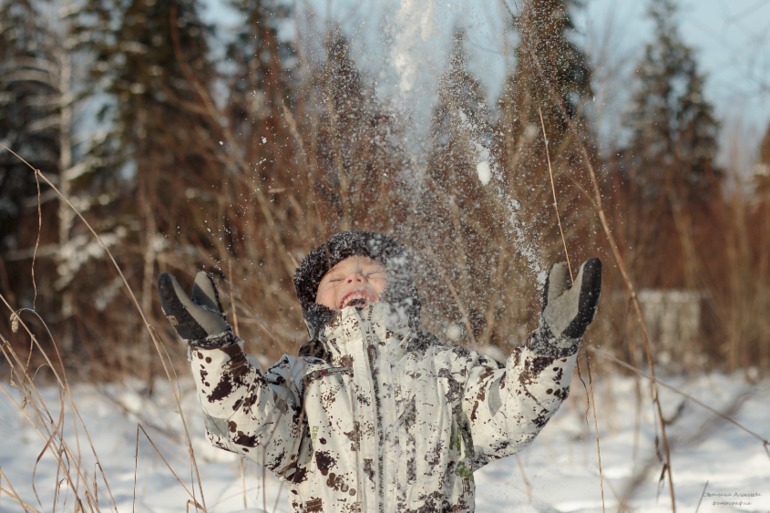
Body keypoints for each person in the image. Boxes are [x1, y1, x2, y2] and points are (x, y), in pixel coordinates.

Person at [157, 231, 602, 513]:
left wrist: (551, 346)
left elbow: (509, 417)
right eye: (337, 279)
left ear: (403, 292)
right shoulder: (300, 377)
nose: (354, 280)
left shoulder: (449, 370)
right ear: (316, 308)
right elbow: (244, 427)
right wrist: (215, 349)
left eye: (370, 273)